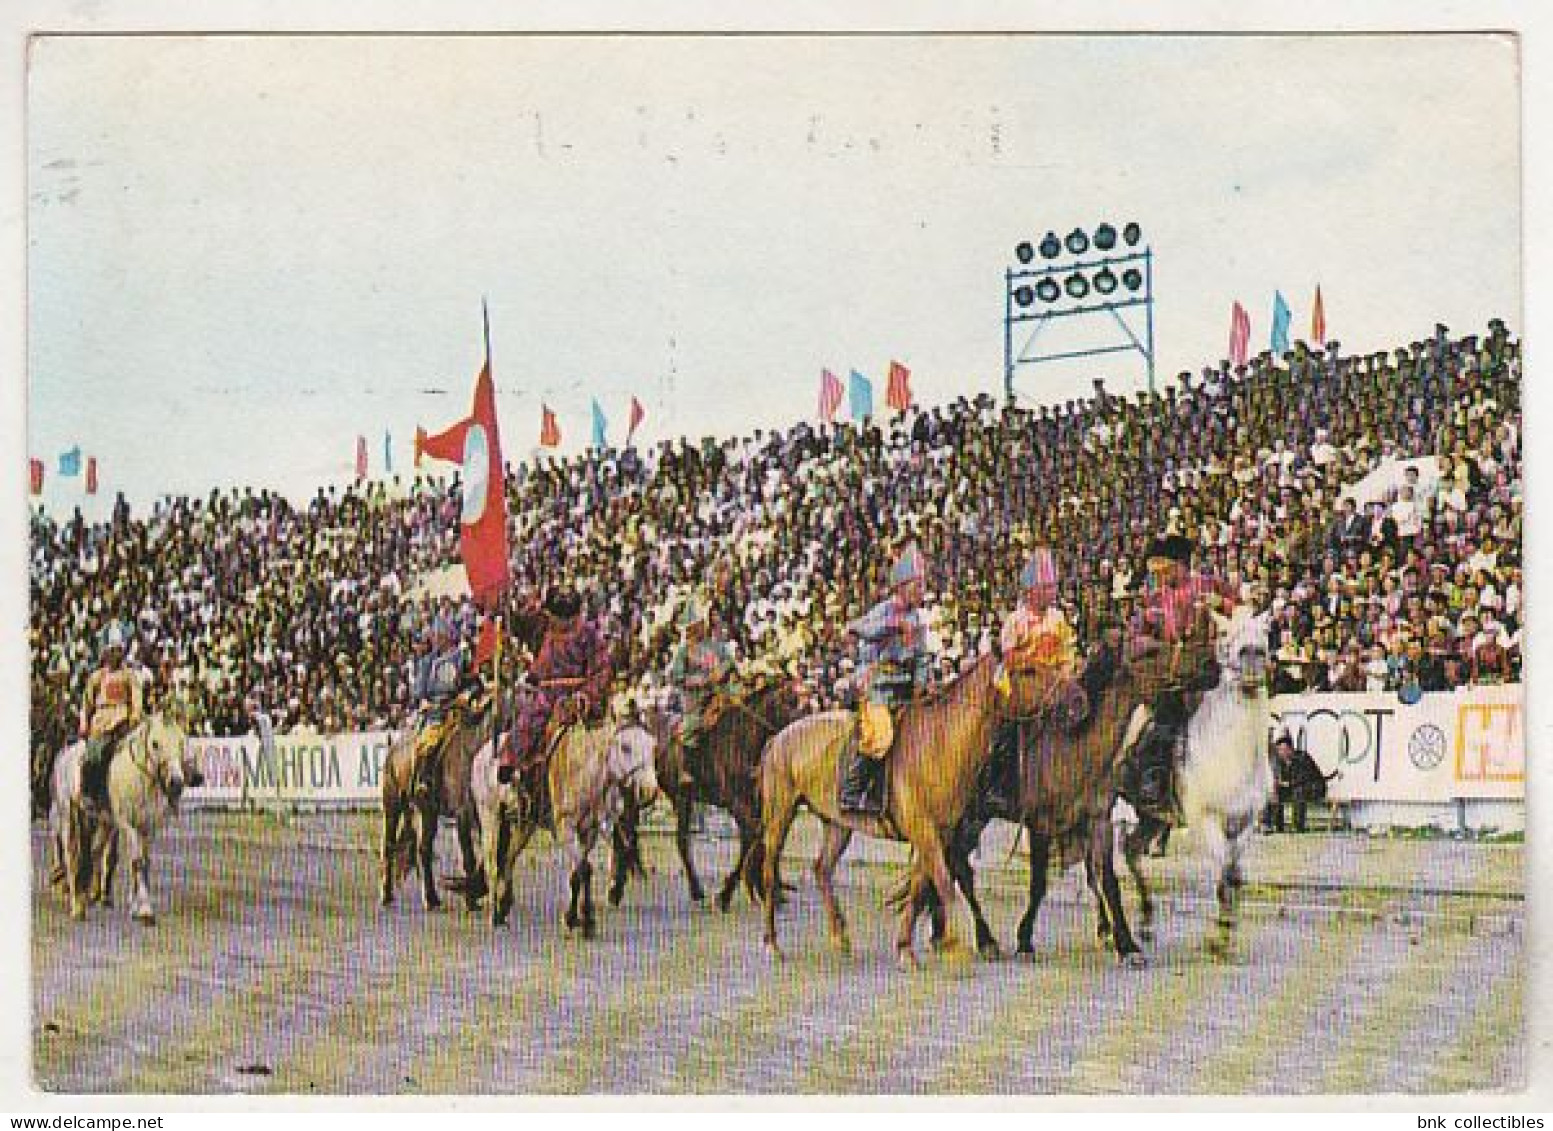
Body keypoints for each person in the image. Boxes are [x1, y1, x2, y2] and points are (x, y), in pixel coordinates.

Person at [983, 548, 1083, 811]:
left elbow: (1067, 653)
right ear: (1032, 591)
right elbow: (1009, 658)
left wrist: (1064, 673)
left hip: (1052, 685)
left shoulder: (1058, 618)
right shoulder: (1016, 620)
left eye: (1053, 588)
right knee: (1007, 731)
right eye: (1047, 588)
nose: (1052, 593)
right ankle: (999, 784)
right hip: (1021, 684)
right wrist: (1036, 667)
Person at [498, 588, 613, 807]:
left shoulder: (590, 634)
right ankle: (512, 773)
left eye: (564, 618)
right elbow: (517, 625)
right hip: (546, 694)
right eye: (555, 617)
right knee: (526, 723)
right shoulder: (541, 627)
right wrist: (505, 608)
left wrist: (584, 696)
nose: (559, 623)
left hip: (578, 697)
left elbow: (602, 670)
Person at [840, 542, 932, 815]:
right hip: (877, 685)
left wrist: (922, 682)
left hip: (905, 687)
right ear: (902, 587)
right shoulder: (883, 611)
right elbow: (860, 628)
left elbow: (922, 656)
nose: (922, 592)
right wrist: (891, 626)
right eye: (917, 586)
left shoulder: (918, 619)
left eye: (923, 586)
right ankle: (852, 791)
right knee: (881, 737)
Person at [666, 596, 736, 791]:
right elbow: (677, 677)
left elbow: (730, 661)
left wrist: (722, 669)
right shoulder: (684, 652)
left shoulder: (715, 645)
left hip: (722, 693)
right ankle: (685, 769)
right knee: (690, 728)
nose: (694, 630)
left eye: (696, 625)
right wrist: (701, 681)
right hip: (696, 699)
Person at [409, 615, 480, 799]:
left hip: (459, 711)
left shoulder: (461, 657)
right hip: (436, 714)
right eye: (434, 636)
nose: (435, 640)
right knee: (428, 744)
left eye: (438, 636)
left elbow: (475, 682)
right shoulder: (428, 662)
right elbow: (419, 692)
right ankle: (424, 780)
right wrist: (423, 702)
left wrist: (467, 694)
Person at [77, 621, 144, 806]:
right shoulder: (97, 677)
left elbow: (136, 702)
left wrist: (133, 719)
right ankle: (90, 793)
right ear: (106, 653)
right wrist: (84, 724)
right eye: (112, 650)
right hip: (100, 725)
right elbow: (86, 704)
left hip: (122, 724)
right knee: (93, 756)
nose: (116, 654)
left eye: (119, 650)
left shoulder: (130, 676)